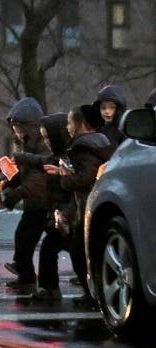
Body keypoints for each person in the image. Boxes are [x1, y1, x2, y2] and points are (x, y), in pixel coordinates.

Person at [42, 104, 114, 309]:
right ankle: (94, 294)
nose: (67, 127)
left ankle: (91, 295)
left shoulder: (82, 146)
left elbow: (85, 177)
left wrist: (65, 178)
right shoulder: (101, 141)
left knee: (79, 254)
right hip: (97, 205)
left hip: (88, 207)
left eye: (70, 122)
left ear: (81, 123)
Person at [0, 96, 49, 294]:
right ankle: (25, 273)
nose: (17, 133)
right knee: (25, 237)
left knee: (38, 241)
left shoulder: (42, 146)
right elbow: (19, 171)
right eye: (15, 129)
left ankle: (28, 275)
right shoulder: (26, 145)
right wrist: (5, 182)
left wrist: (17, 192)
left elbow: (37, 177)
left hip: (44, 203)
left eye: (20, 129)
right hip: (35, 203)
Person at [12, 112, 73, 302]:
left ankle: (52, 288)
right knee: (50, 248)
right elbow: (38, 162)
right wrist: (15, 158)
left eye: (49, 137)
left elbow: (74, 186)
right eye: (44, 137)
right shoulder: (55, 157)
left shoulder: (67, 158)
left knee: (70, 251)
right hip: (61, 215)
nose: (46, 141)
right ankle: (49, 288)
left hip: (71, 216)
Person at [94, 84, 127, 149]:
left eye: (112, 107)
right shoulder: (95, 129)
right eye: (103, 108)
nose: (107, 111)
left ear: (118, 109)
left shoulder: (125, 131)